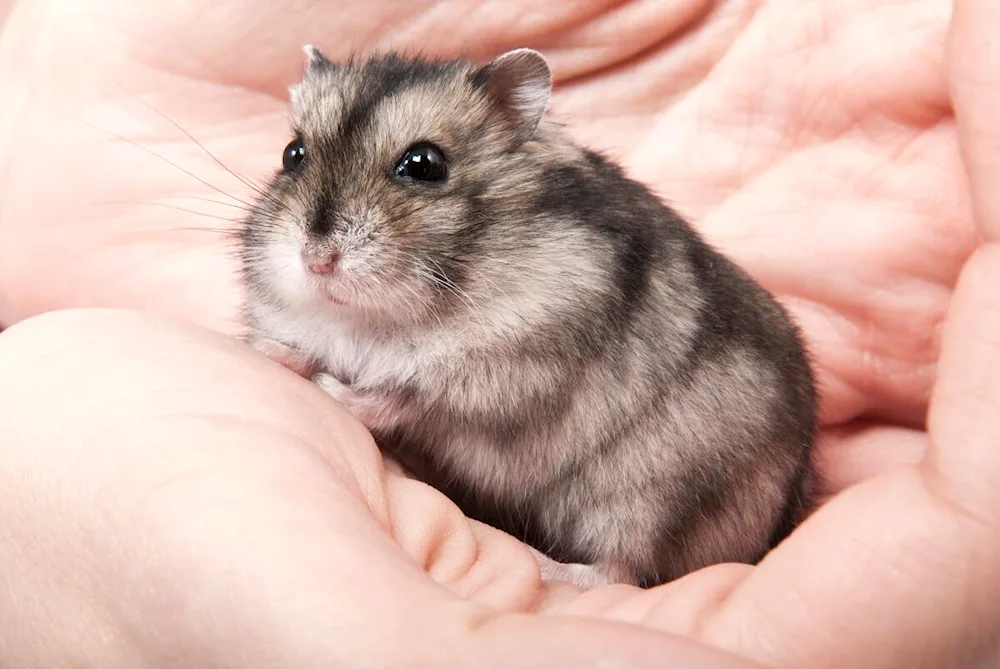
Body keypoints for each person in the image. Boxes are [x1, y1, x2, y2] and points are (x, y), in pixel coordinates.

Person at [0, 0, 997, 666]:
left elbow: (530, 377)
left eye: (419, 168)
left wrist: (415, 390)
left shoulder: (561, 259)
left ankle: (619, 563)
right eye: (300, 155)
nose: (319, 237)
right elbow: (286, 303)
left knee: (727, 405)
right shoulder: (287, 239)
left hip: (655, 467)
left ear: (516, 130)